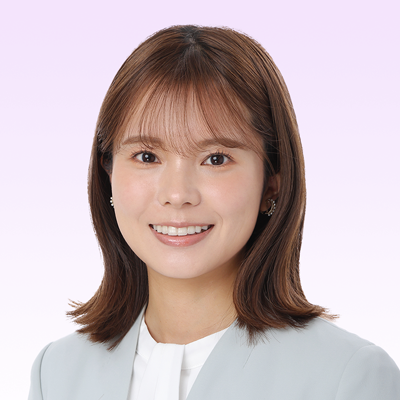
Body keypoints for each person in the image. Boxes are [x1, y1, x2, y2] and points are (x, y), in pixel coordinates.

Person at [28, 25, 400, 400]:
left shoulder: (346, 377)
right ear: (108, 173)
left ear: (271, 183)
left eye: (216, 159)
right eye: (147, 156)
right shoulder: (56, 372)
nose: (177, 194)